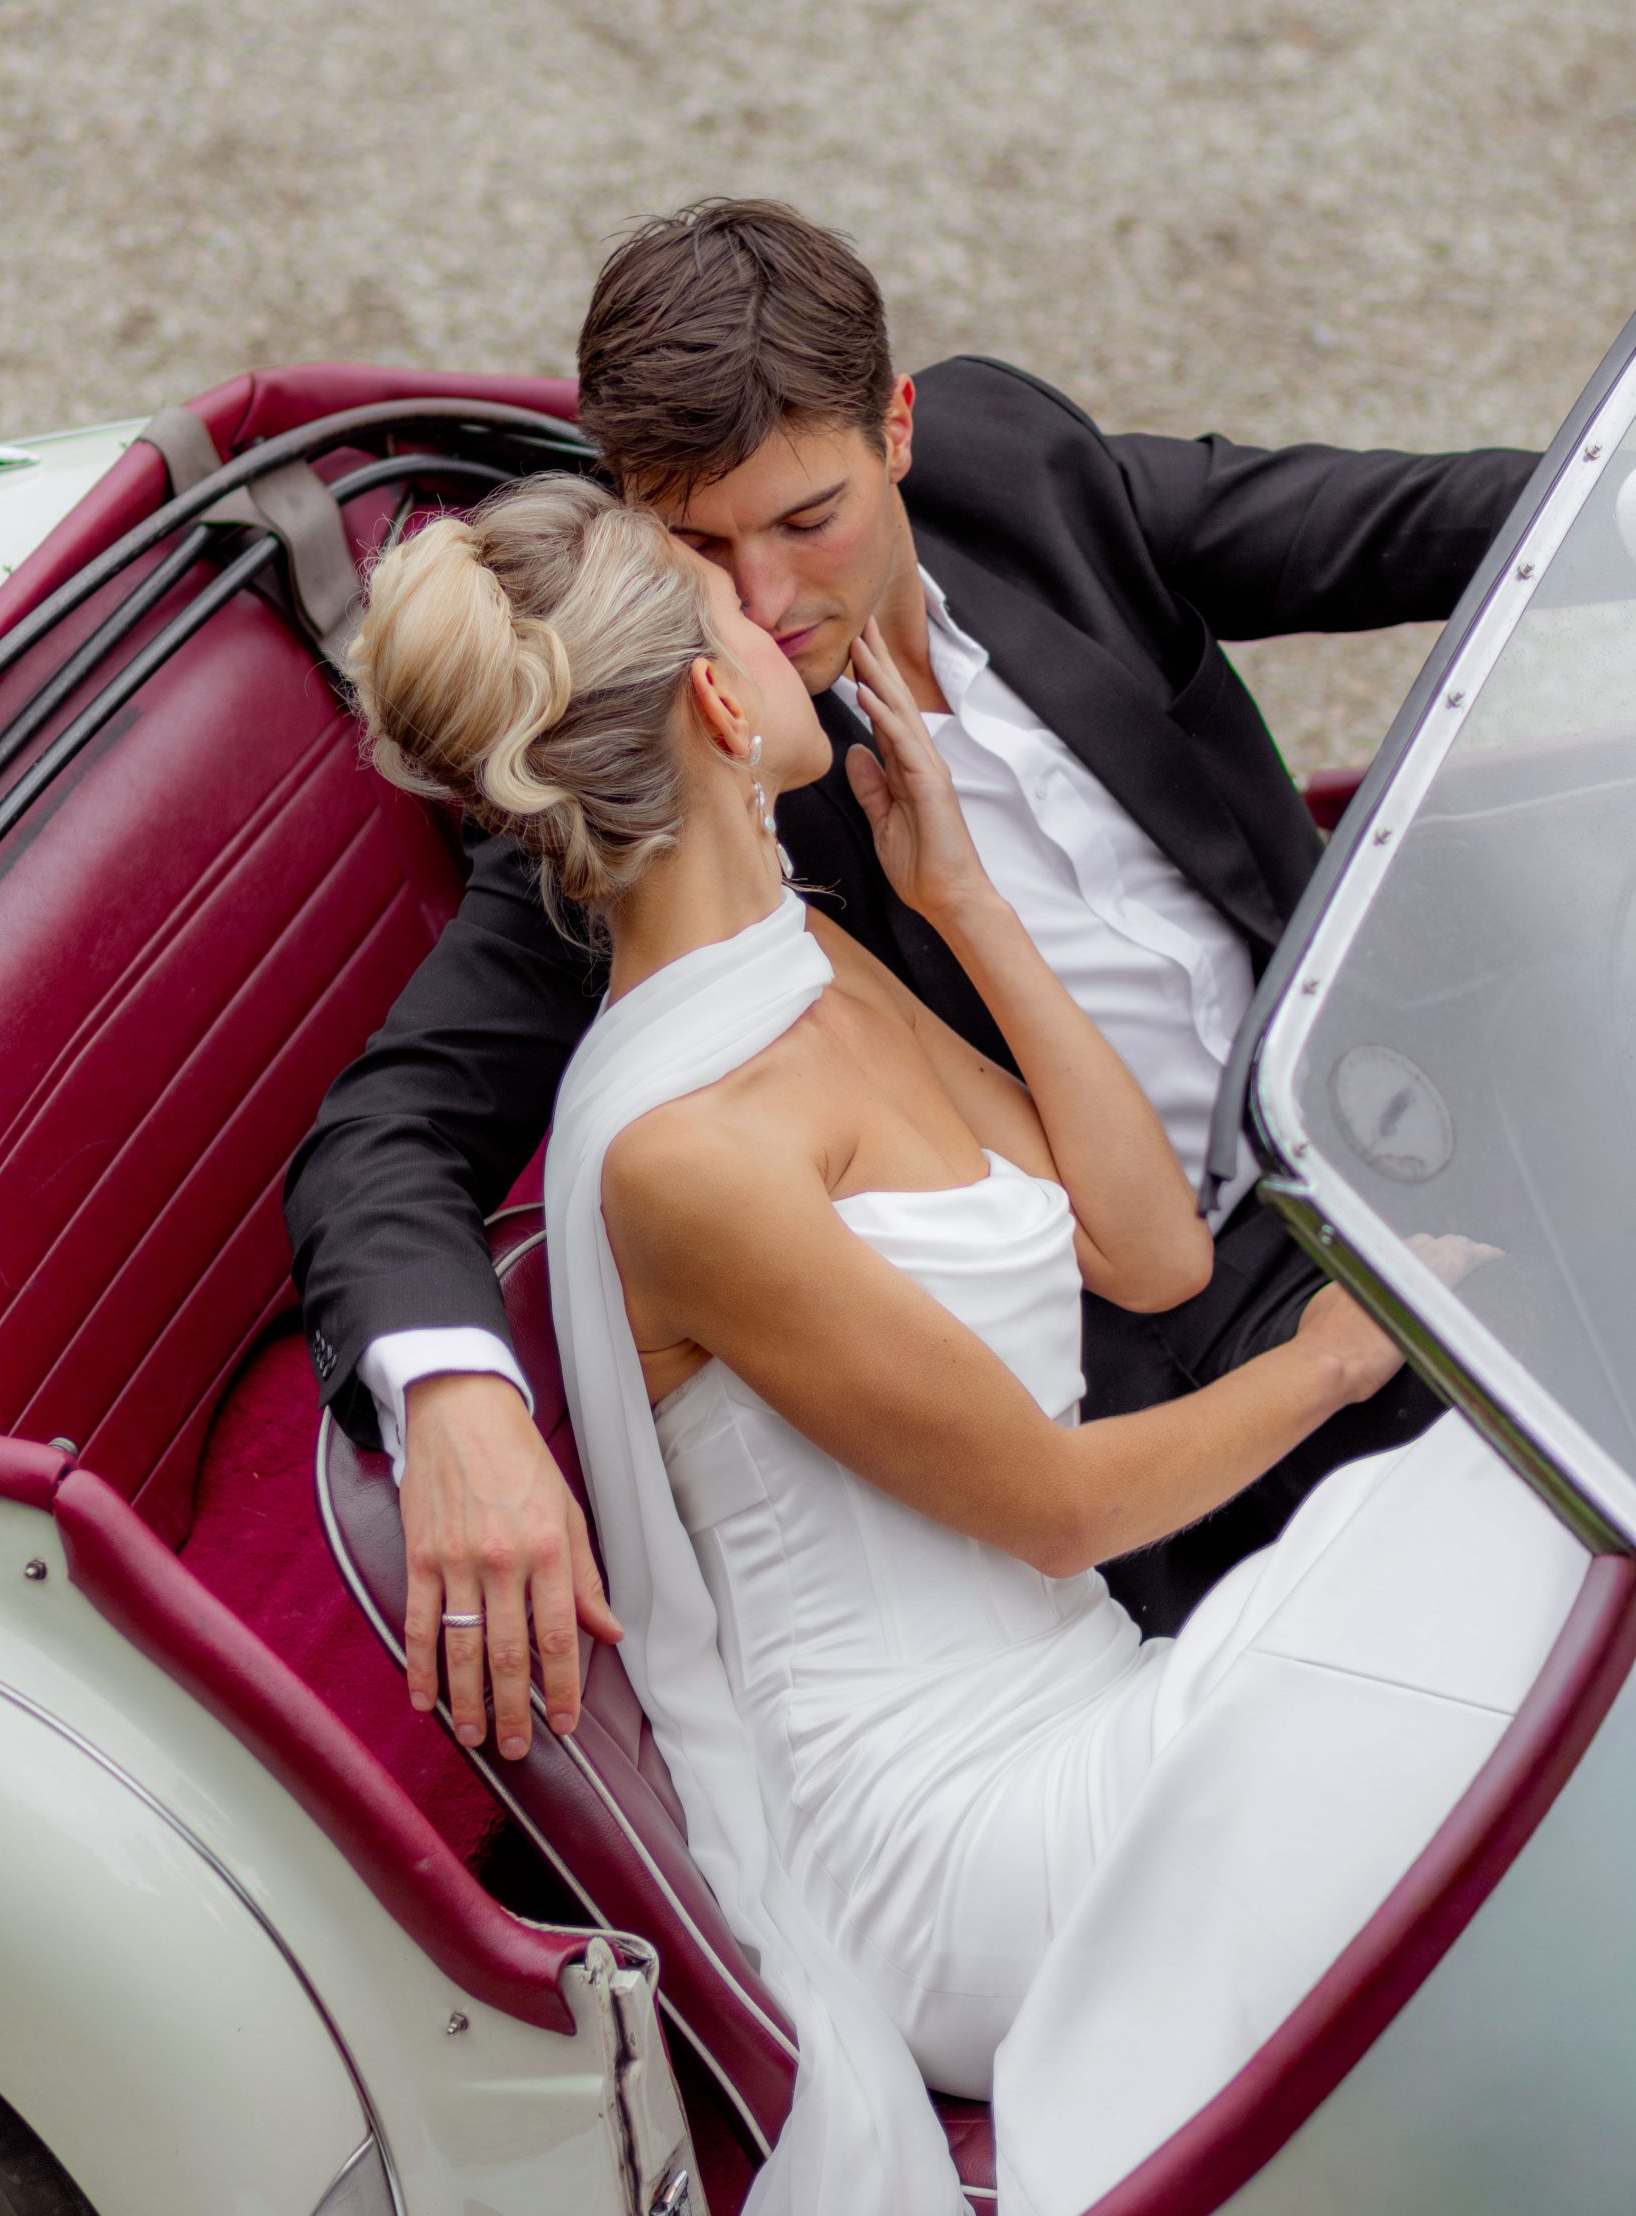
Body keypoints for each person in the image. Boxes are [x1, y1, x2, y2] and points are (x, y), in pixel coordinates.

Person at [337, 475, 1586, 2216]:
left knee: (1546, 1515)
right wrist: (1329, 1358)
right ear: (717, 702)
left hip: (1097, 1691)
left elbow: (1141, 1252)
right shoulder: (688, 1152)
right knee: (1522, 1531)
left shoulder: (816, 947)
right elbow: (1063, 1511)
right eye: (728, 624)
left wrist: (970, 899)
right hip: (946, 1838)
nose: (774, 628)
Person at [284, 198, 1542, 1767]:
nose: (759, 599)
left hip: (1387, 1120)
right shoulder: (662, 775)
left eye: (806, 518)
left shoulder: (1012, 468)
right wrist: (455, 1399)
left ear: (896, 430)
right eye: (695, 542)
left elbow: (1379, 527)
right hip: (1165, 1385)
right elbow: (388, 1132)